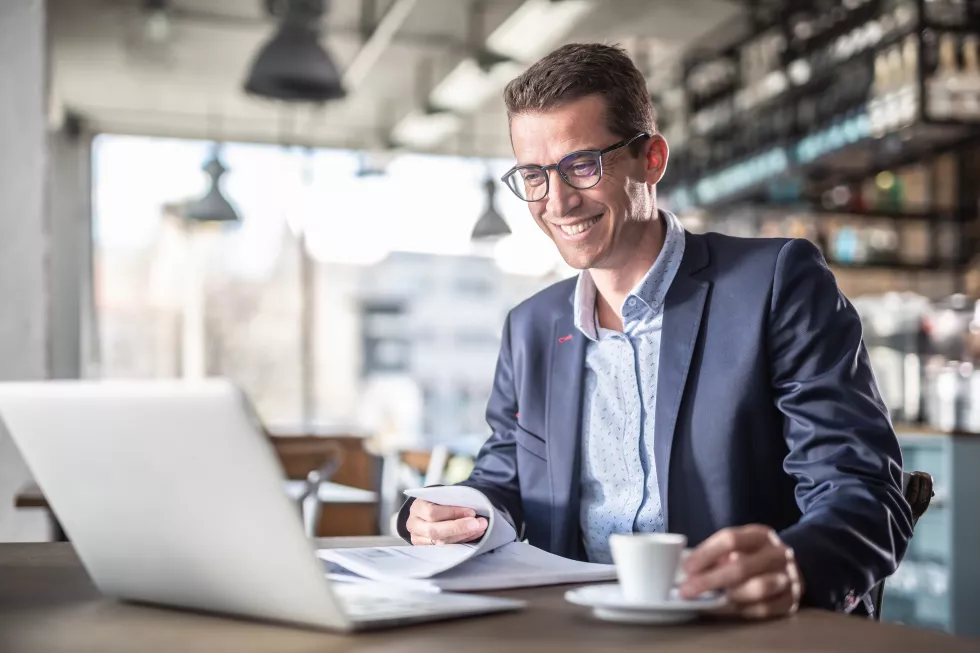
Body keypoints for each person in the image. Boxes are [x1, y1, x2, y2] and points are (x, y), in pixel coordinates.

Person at [397, 43, 913, 619]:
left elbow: (861, 491)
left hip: (740, 630)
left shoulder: (774, 283)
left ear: (652, 159)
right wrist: (452, 512)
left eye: (582, 165)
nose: (558, 201)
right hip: (579, 628)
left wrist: (796, 565)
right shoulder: (532, 328)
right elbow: (505, 477)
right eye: (534, 176)